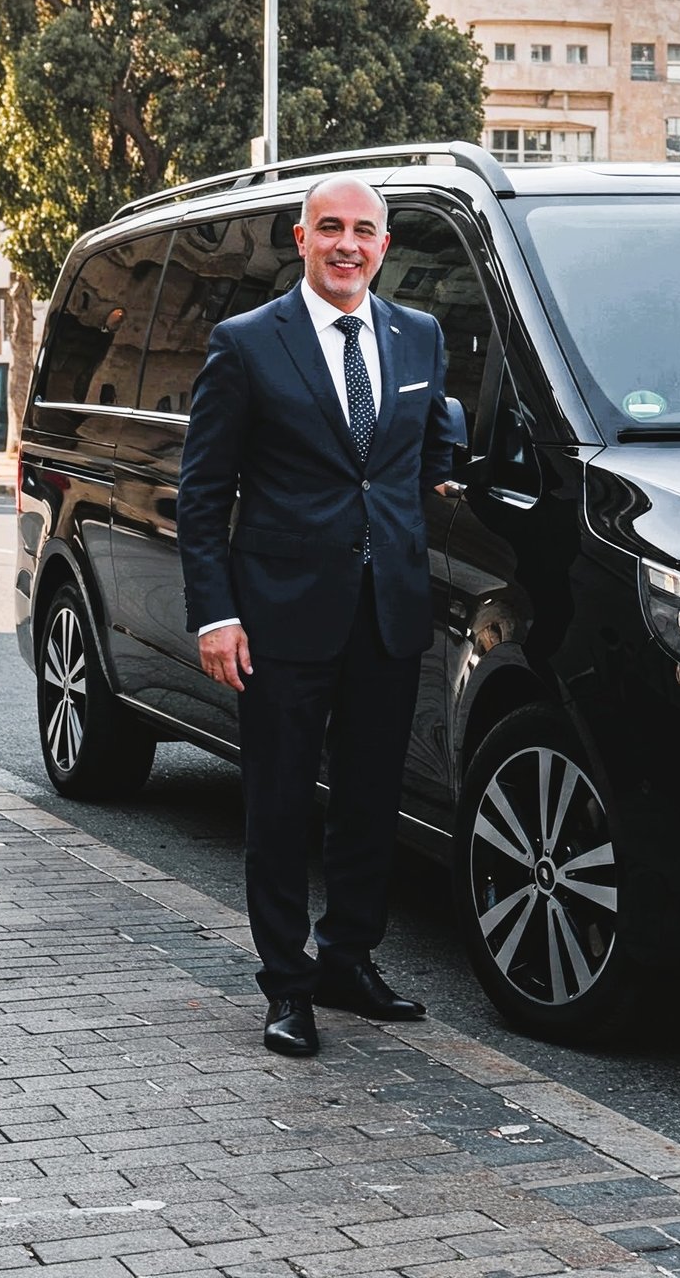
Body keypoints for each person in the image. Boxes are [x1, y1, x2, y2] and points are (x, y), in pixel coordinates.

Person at [178, 173, 461, 1056]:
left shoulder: (420, 337)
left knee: (371, 801)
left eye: (364, 230)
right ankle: (286, 985)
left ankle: (347, 961)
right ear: (301, 240)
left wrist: (436, 489)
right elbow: (202, 494)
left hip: (387, 614)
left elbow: (423, 457)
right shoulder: (247, 343)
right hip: (279, 620)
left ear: (385, 245)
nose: (348, 244)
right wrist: (216, 615)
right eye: (330, 228)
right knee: (279, 805)